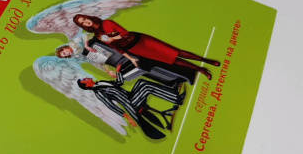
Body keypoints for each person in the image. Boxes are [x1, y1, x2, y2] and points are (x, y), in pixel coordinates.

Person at [72, 14, 219, 80]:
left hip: (142, 41)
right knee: (171, 60)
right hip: (135, 49)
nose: (86, 22)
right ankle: (200, 70)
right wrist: (131, 58)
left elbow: (125, 34)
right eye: (82, 23)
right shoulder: (98, 36)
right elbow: (118, 49)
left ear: (89, 17)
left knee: (175, 52)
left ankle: (206, 60)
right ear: (83, 26)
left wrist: (112, 38)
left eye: (85, 19)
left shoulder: (107, 23)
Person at [77, 72, 186, 139]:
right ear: (86, 84)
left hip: (131, 96)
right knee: (146, 87)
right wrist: (127, 117)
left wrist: (118, 72)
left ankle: (173, 93)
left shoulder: (101, 82)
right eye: (84, 80)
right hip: (131, 103)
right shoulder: (98, 92)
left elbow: (119, 83)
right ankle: (176, 98)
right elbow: (111, 106)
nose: (86, 78)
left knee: (141, 82)